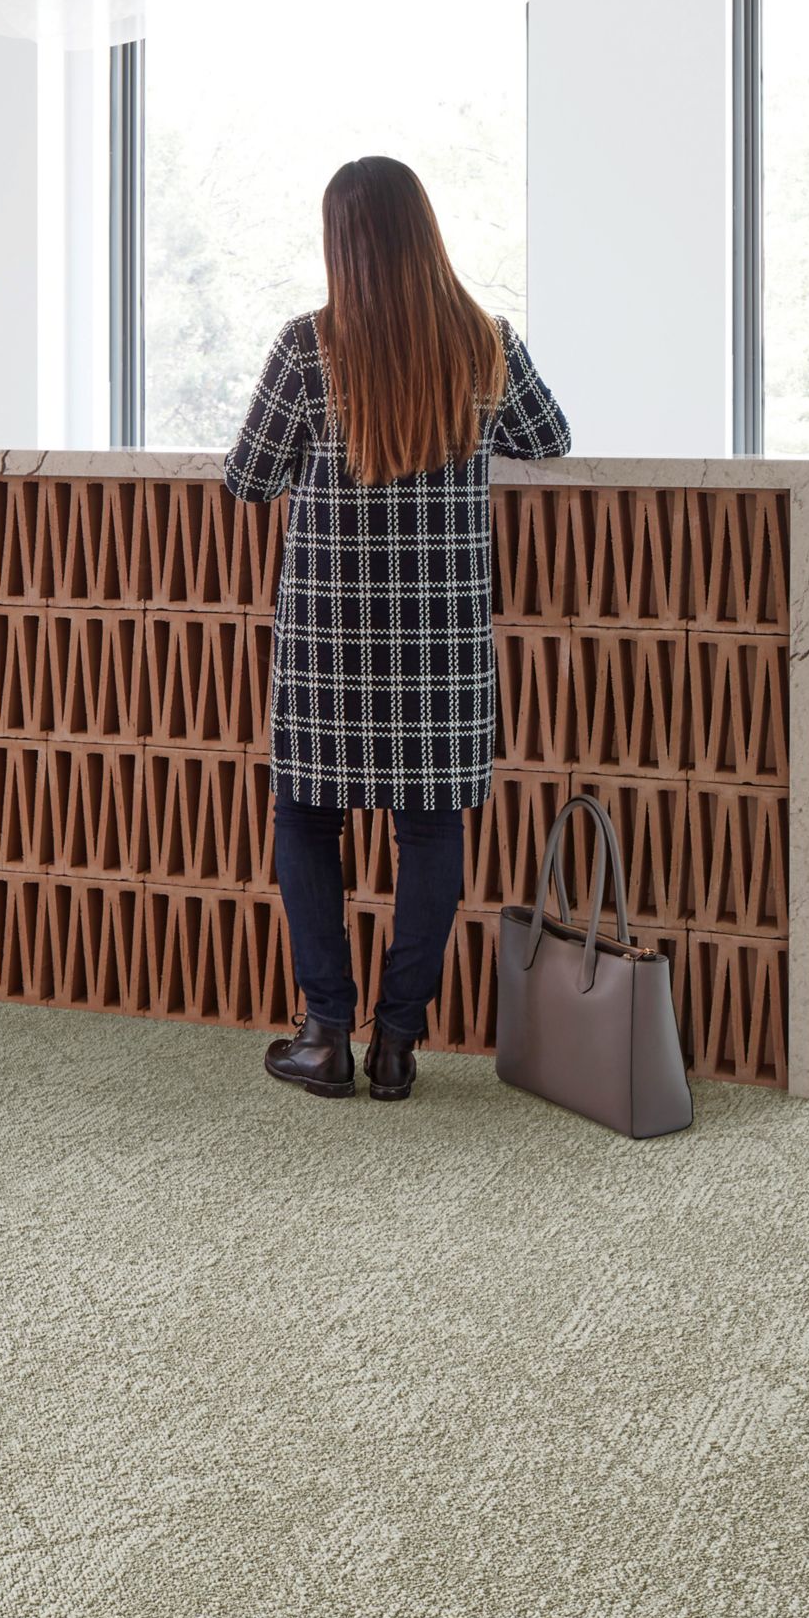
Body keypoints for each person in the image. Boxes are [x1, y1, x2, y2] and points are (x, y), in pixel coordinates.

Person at [222, 156, 569, 1102]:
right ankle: (399, 1046)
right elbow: (551, 441)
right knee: (429, 829)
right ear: (425, 231)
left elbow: (247, 480)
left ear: (342, 241)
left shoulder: (309, 346)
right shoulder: (483, 341)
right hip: (441, 644)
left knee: (305, 816)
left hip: (332, 640)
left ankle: (325, 1031)